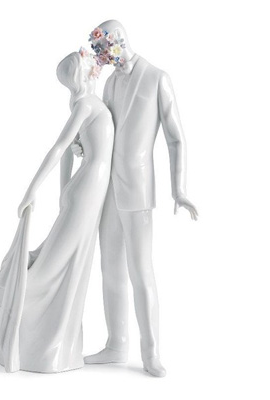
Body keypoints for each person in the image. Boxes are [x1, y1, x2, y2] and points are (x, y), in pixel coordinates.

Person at [0, 51, 114, 373]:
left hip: (89, 191)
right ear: (83, 74)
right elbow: (60, 147)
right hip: (86, 191)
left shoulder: (87, 104)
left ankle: (56, 346)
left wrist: (63, 189)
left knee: (67, 268)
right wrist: (34, 190)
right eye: (90, 64)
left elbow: (71, 150)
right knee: (51, 269)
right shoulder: (86, 104)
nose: (95, 66)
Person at [80, 20, 198, 377]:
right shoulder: (110, 83)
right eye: (99, 53)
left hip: (138, 189)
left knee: (141, 271)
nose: (101, 58)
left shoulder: (157, 78)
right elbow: (104, 130)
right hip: (108, 188)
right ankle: (116, 344)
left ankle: (151, 352)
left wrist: (179, 189)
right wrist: (82, 145)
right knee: (109, 268)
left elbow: (176, 138)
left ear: (117, 41)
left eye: (103, 50)